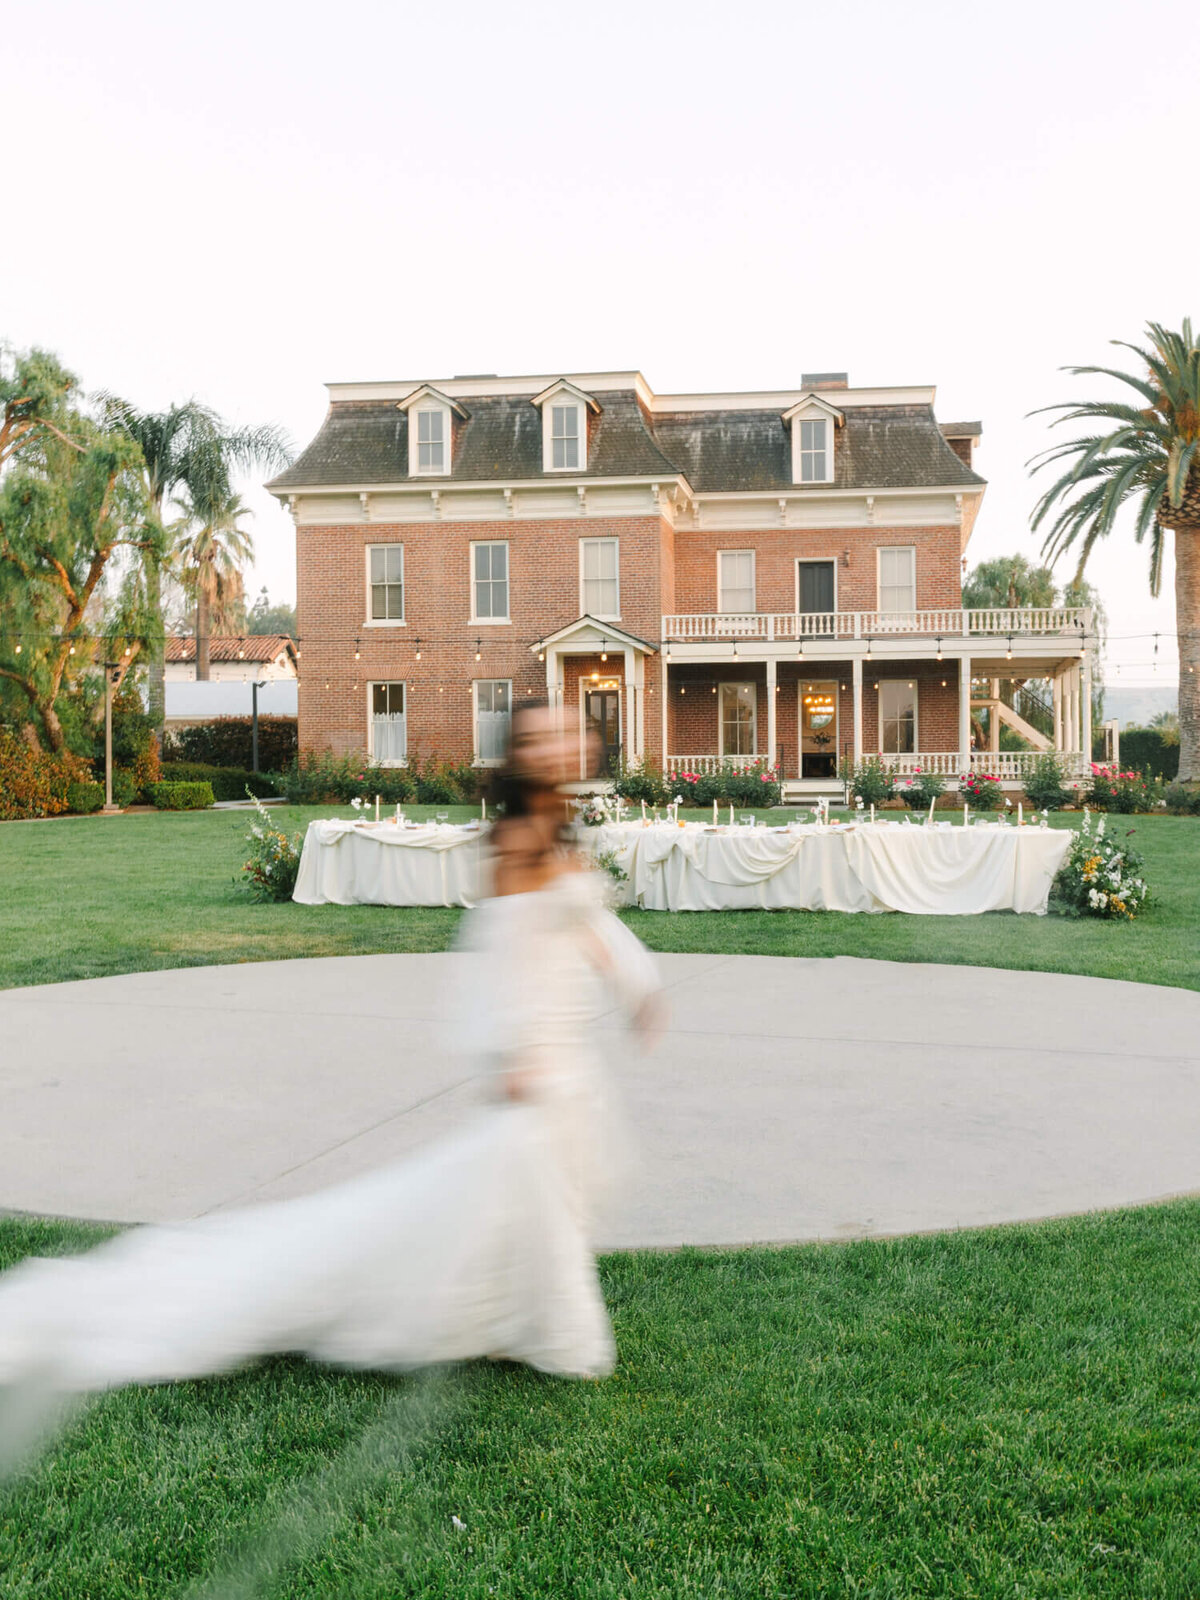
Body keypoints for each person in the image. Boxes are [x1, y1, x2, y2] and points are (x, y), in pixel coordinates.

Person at [0, 704, 661, 1469]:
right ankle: (557, 1331)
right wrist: (512, 1052)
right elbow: (499, 950)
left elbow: (582, 926)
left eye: (565, 732)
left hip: (569, 1056)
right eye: (541, 737)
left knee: (535, 1193)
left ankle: (511, 1316)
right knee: (520, 1189)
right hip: (538, 1058)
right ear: (520, 755)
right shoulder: (515, 837)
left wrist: (637, 984)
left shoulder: (557, 826)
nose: (560, 744)